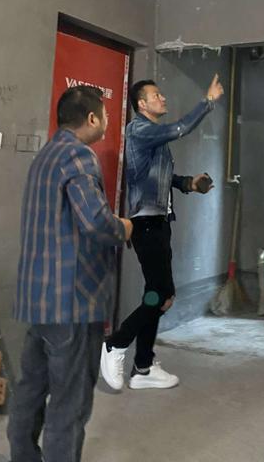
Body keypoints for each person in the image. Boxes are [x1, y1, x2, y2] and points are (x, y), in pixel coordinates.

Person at [8, 85, 132, 462]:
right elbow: (95, 222)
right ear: (92, 118)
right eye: (105, 115)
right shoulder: (79, 156)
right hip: (73, 301)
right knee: (70, 400)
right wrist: (124, 227)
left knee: (31, 389)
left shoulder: (45, 156)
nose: (108, 121)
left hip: (38, 299)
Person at [101, 73, 224, 391]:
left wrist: (188, 184)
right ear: (142, 104)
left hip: (158, 222)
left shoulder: (152, 138)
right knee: (161, 295)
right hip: (146, 224)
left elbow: (160, 177)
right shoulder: (140, 129)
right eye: (156, 95)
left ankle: (143, 367)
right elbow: (180, 128)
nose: (163, 98)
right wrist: (208, 101)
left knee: (156, 294)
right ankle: (116, 342)